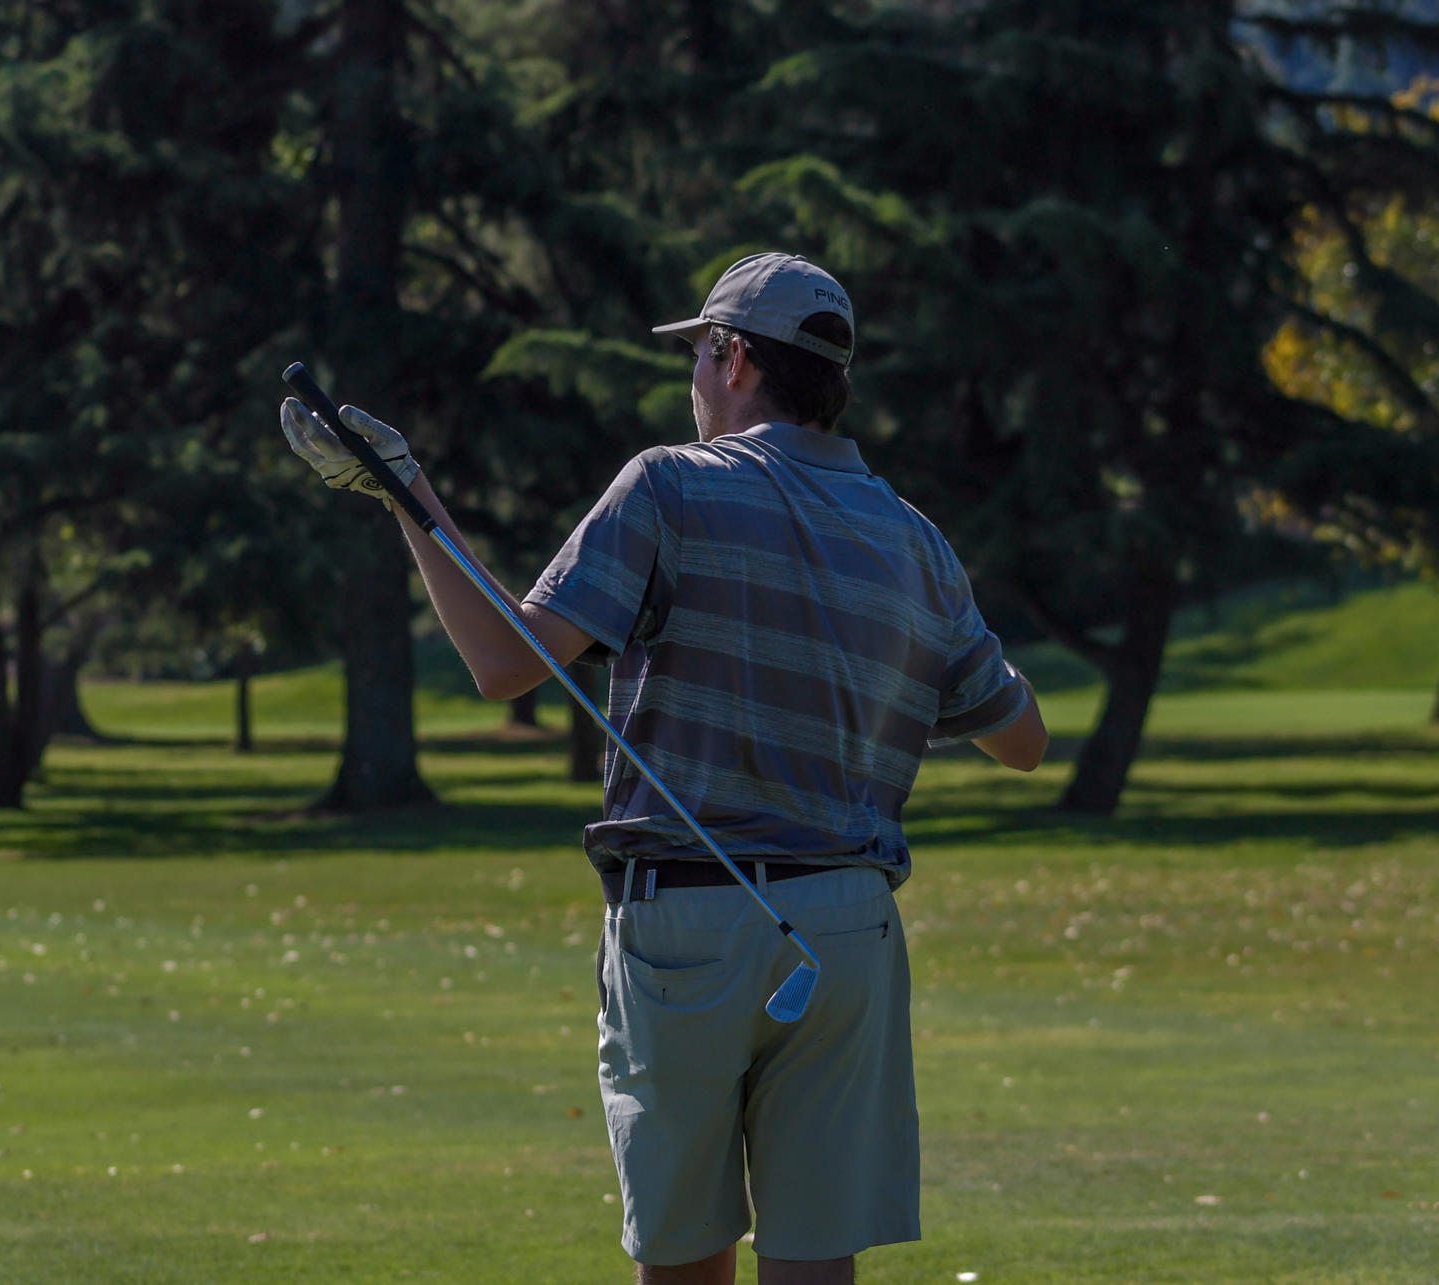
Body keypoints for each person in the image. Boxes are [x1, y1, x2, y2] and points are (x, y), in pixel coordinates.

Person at [282, 252, 1048, 1284]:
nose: (692, 379)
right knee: (816, 1264)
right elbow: (1021, 739)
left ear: (734, 358)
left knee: (685, 1262)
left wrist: (405, 492)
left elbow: (505, 662)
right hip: (850, 928)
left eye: (697, 355)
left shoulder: (669, 483)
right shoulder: (914, 538)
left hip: (688, 921)